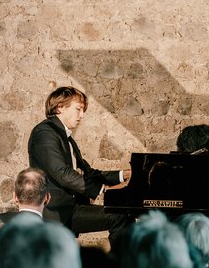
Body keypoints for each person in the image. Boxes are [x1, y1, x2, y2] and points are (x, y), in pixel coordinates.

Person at [27, 86, 131, 245]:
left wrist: (124, 174)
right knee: (119, 216)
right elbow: (63, 173)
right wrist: (103, 190)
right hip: (55, 211)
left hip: (71, 208)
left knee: (123, 215)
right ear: (60, 107)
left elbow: (89, 173)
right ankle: (121, 267)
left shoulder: (66, 138)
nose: (82, 115)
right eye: (78, 109)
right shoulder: (45, 132)